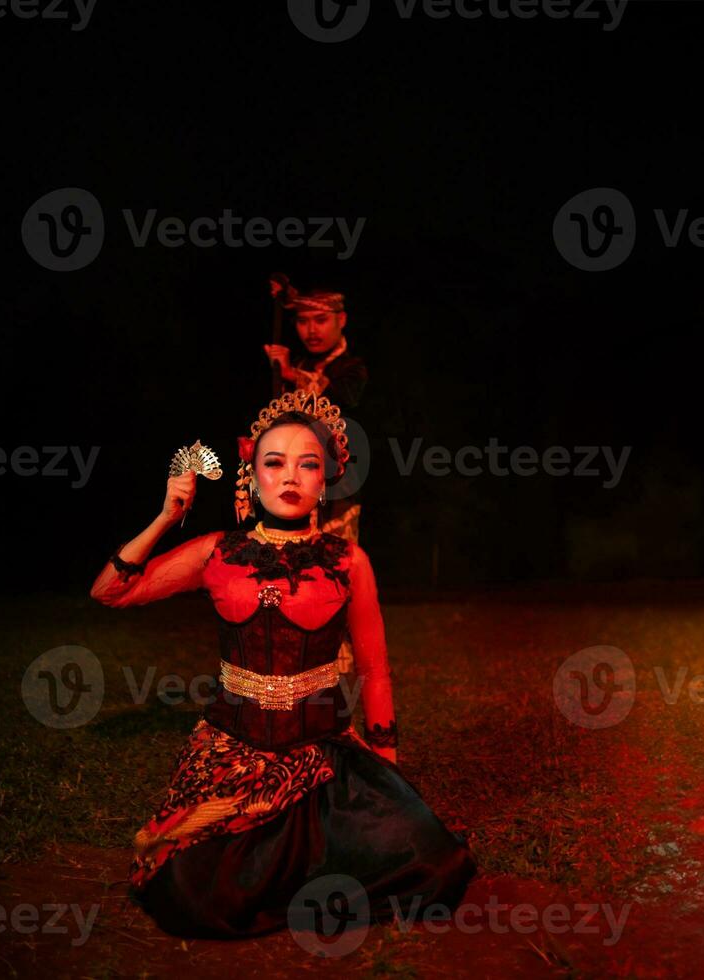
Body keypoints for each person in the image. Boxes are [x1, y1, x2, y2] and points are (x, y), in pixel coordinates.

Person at [89, 388, 475, 938]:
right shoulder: (218, 553)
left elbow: (375, 669)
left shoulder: (348, 561)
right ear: (251, 476)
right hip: (233, 755)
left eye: (307, 464)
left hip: (325, 756)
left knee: (436, 864)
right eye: (274, 462)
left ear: (324, 480)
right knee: (192, 894)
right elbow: (109, 592)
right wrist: (165, 515)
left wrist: (387, 765)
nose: (290, 476)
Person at [263, 282, 367, 543]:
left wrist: (291, 375)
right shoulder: (298, 364)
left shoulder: (354, 367)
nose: (311, 330)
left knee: (336, 563)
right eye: (302, 321)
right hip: (297, 481)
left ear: (341, 319)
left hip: (340, 488)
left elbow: (344, 397)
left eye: (320, 320)